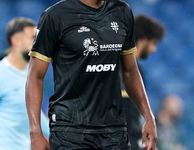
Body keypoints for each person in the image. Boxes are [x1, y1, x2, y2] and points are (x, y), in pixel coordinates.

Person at [26, 0, 157, 150]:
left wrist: (148, 117)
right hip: (70, 131)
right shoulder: (55, 16)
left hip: (114, 131)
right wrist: (35, 132)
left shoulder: (122, 11)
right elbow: (35, 76)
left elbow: (130, 71)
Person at [0, 17, 49, 150]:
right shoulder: (1, 73)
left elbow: (35, 115)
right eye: (32, 38)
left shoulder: (34, 75)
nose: (36, 43)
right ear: (16, 41)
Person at [121, 14, 165, 150]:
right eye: (153, 43)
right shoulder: (128, 69)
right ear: (143, 41)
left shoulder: (133, 67)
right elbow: (126, 113)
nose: (154, 49)